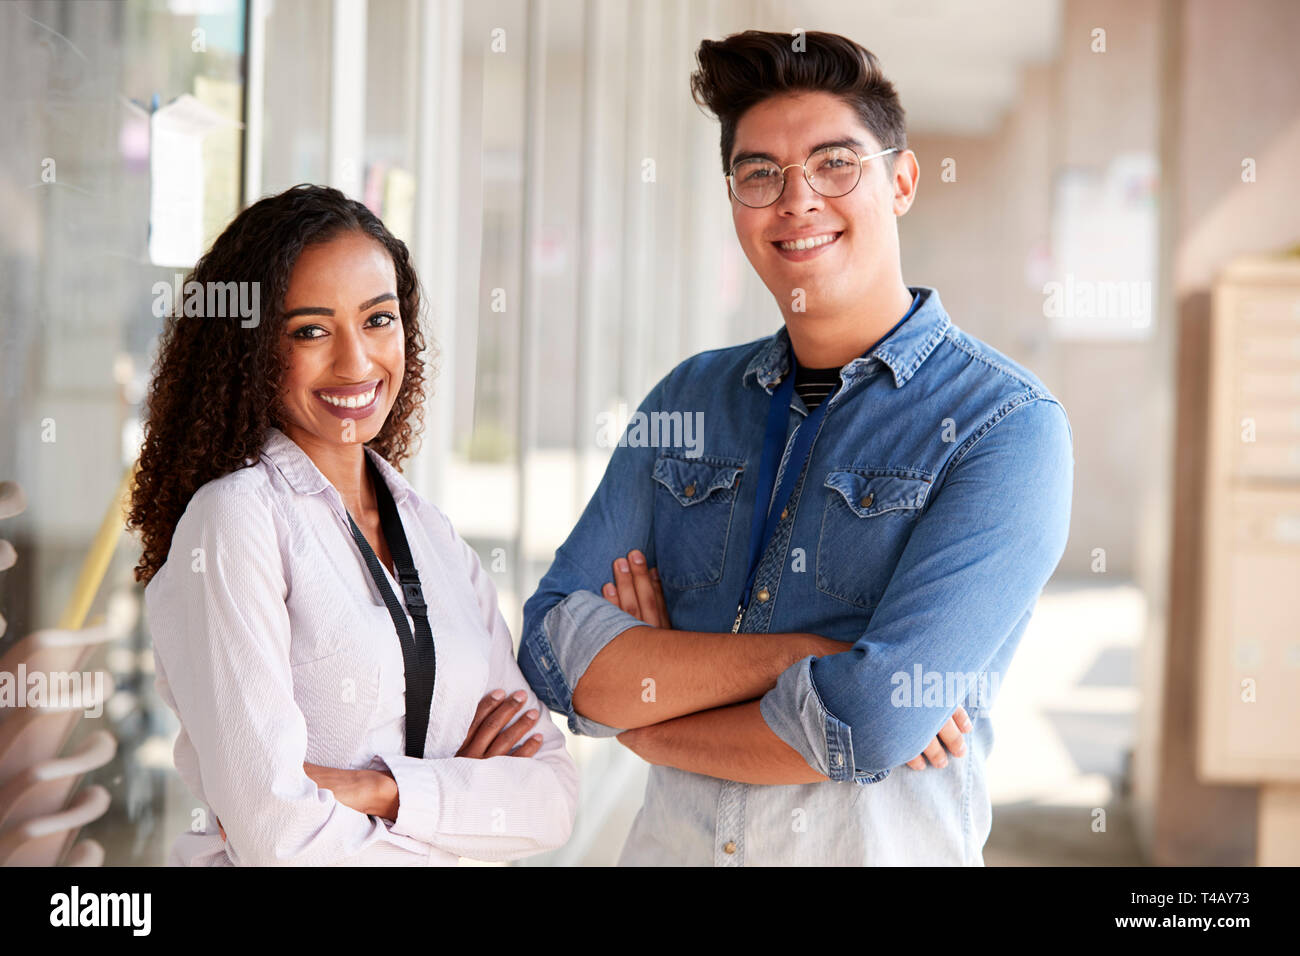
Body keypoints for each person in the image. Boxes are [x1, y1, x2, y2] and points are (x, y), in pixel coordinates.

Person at [518, 30, 1074, 865]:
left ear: (902, 181)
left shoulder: (1007, 427)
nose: (797, 199)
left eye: (835, 163)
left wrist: (646, 716)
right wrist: (808, 657)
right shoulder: (690, 402)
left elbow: (873, 719)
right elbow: (557, 651)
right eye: (760, 174)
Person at [131, 184, 577, 866]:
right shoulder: (236, 522)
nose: (357, 362)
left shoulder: (433, 538)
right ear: (249, 351)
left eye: (378, 320)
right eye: (310, 331)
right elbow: (279, 838)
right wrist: (459, 807)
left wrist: (379, 790)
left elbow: (551, 799)